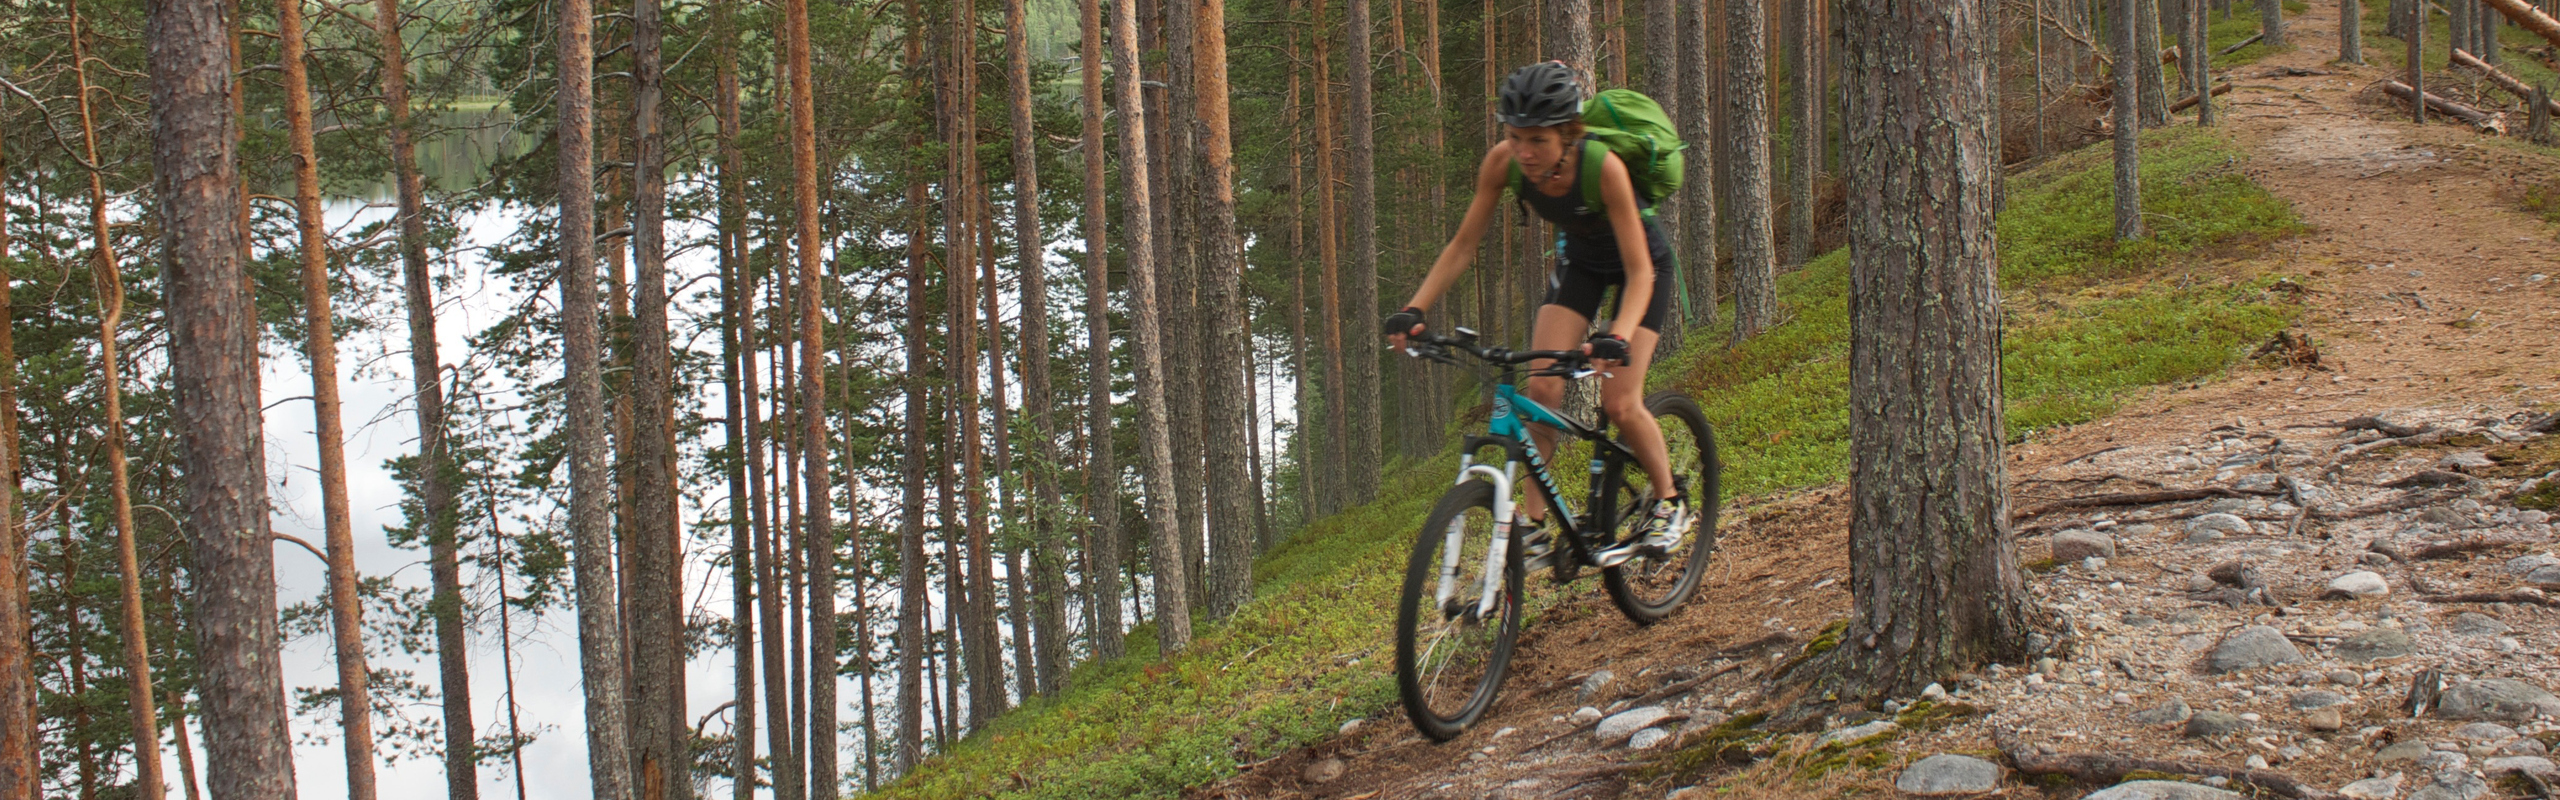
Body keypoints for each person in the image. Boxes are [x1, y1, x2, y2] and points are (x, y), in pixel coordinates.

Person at [1382, 60, 1685, 568]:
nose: (1524, 151)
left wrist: (1619, 336)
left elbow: (1639, 273)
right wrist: (1415, 307)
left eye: (1538, 141)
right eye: (1515, 135)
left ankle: (1670, 501)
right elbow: (1462, 245)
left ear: (1569, 134)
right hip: (1582, 265)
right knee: (1541, 390)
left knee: (1620, 402)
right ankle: (1535, 525)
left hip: (1643, 268)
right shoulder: (1503, 163)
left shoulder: (1602, 166)